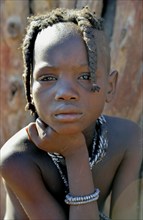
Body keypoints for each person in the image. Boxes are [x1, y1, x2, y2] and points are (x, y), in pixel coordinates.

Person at [0, 7, 142, 220]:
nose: (66, 93)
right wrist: (75, 153)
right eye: (48, 78)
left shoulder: (127, 139)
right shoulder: (17, 159)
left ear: (109, 86)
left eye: (85, 76)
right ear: (29, 87)